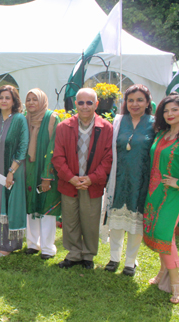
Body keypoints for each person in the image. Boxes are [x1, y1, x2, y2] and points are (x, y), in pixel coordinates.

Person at [52, 88, 113, 269]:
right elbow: (58, 157)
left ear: (96, 104)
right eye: (81, 102)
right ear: (75, 104)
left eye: (89, 102)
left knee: (90, 220)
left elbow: (108, 158)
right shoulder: (64, 127)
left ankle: (88, 255)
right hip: (69, 183)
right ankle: (74, 254)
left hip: (91, 184)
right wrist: (70, 178)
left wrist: (92, 179)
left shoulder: (106, 128)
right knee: (70, 220)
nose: (85, 106)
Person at [102, 84, 155, 276]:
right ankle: (114, 258)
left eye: (140, 100)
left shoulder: (155, 123)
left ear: (148, 102)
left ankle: (130, 262)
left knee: (136, 222)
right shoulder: (117, 121)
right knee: (116, 221)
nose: (135, 104)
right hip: (119, 178)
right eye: (131, 100)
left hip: (142, 181)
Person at [143, 95, 179, 304]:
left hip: (175, 195)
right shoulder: (162, 135)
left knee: (164, 236)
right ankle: (162, 273)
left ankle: (177, 286)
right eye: (166, 111)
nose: (170, 114)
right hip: (155, 192)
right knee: (157, 234)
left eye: (174, 110)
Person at [0, 85, 28, 257]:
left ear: (14, 100)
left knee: (9, 204)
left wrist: (11, 171)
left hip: (12, 169)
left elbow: (23, 146)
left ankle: (9, 245)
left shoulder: (19, 119)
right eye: (1, 97)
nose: (3, 100)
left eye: (7, 98)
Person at [24, 88, 61, 260]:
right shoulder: (26, 119)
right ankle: (32, 244)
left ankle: (47, 248)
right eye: (28, 99)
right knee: (31, 206)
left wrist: (47, 176)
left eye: (35, 99)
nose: (31, 103)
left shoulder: (52, 118)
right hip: (29, 171)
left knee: (46, 207)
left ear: (43, 101)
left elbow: (54, 148)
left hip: (45, 172)